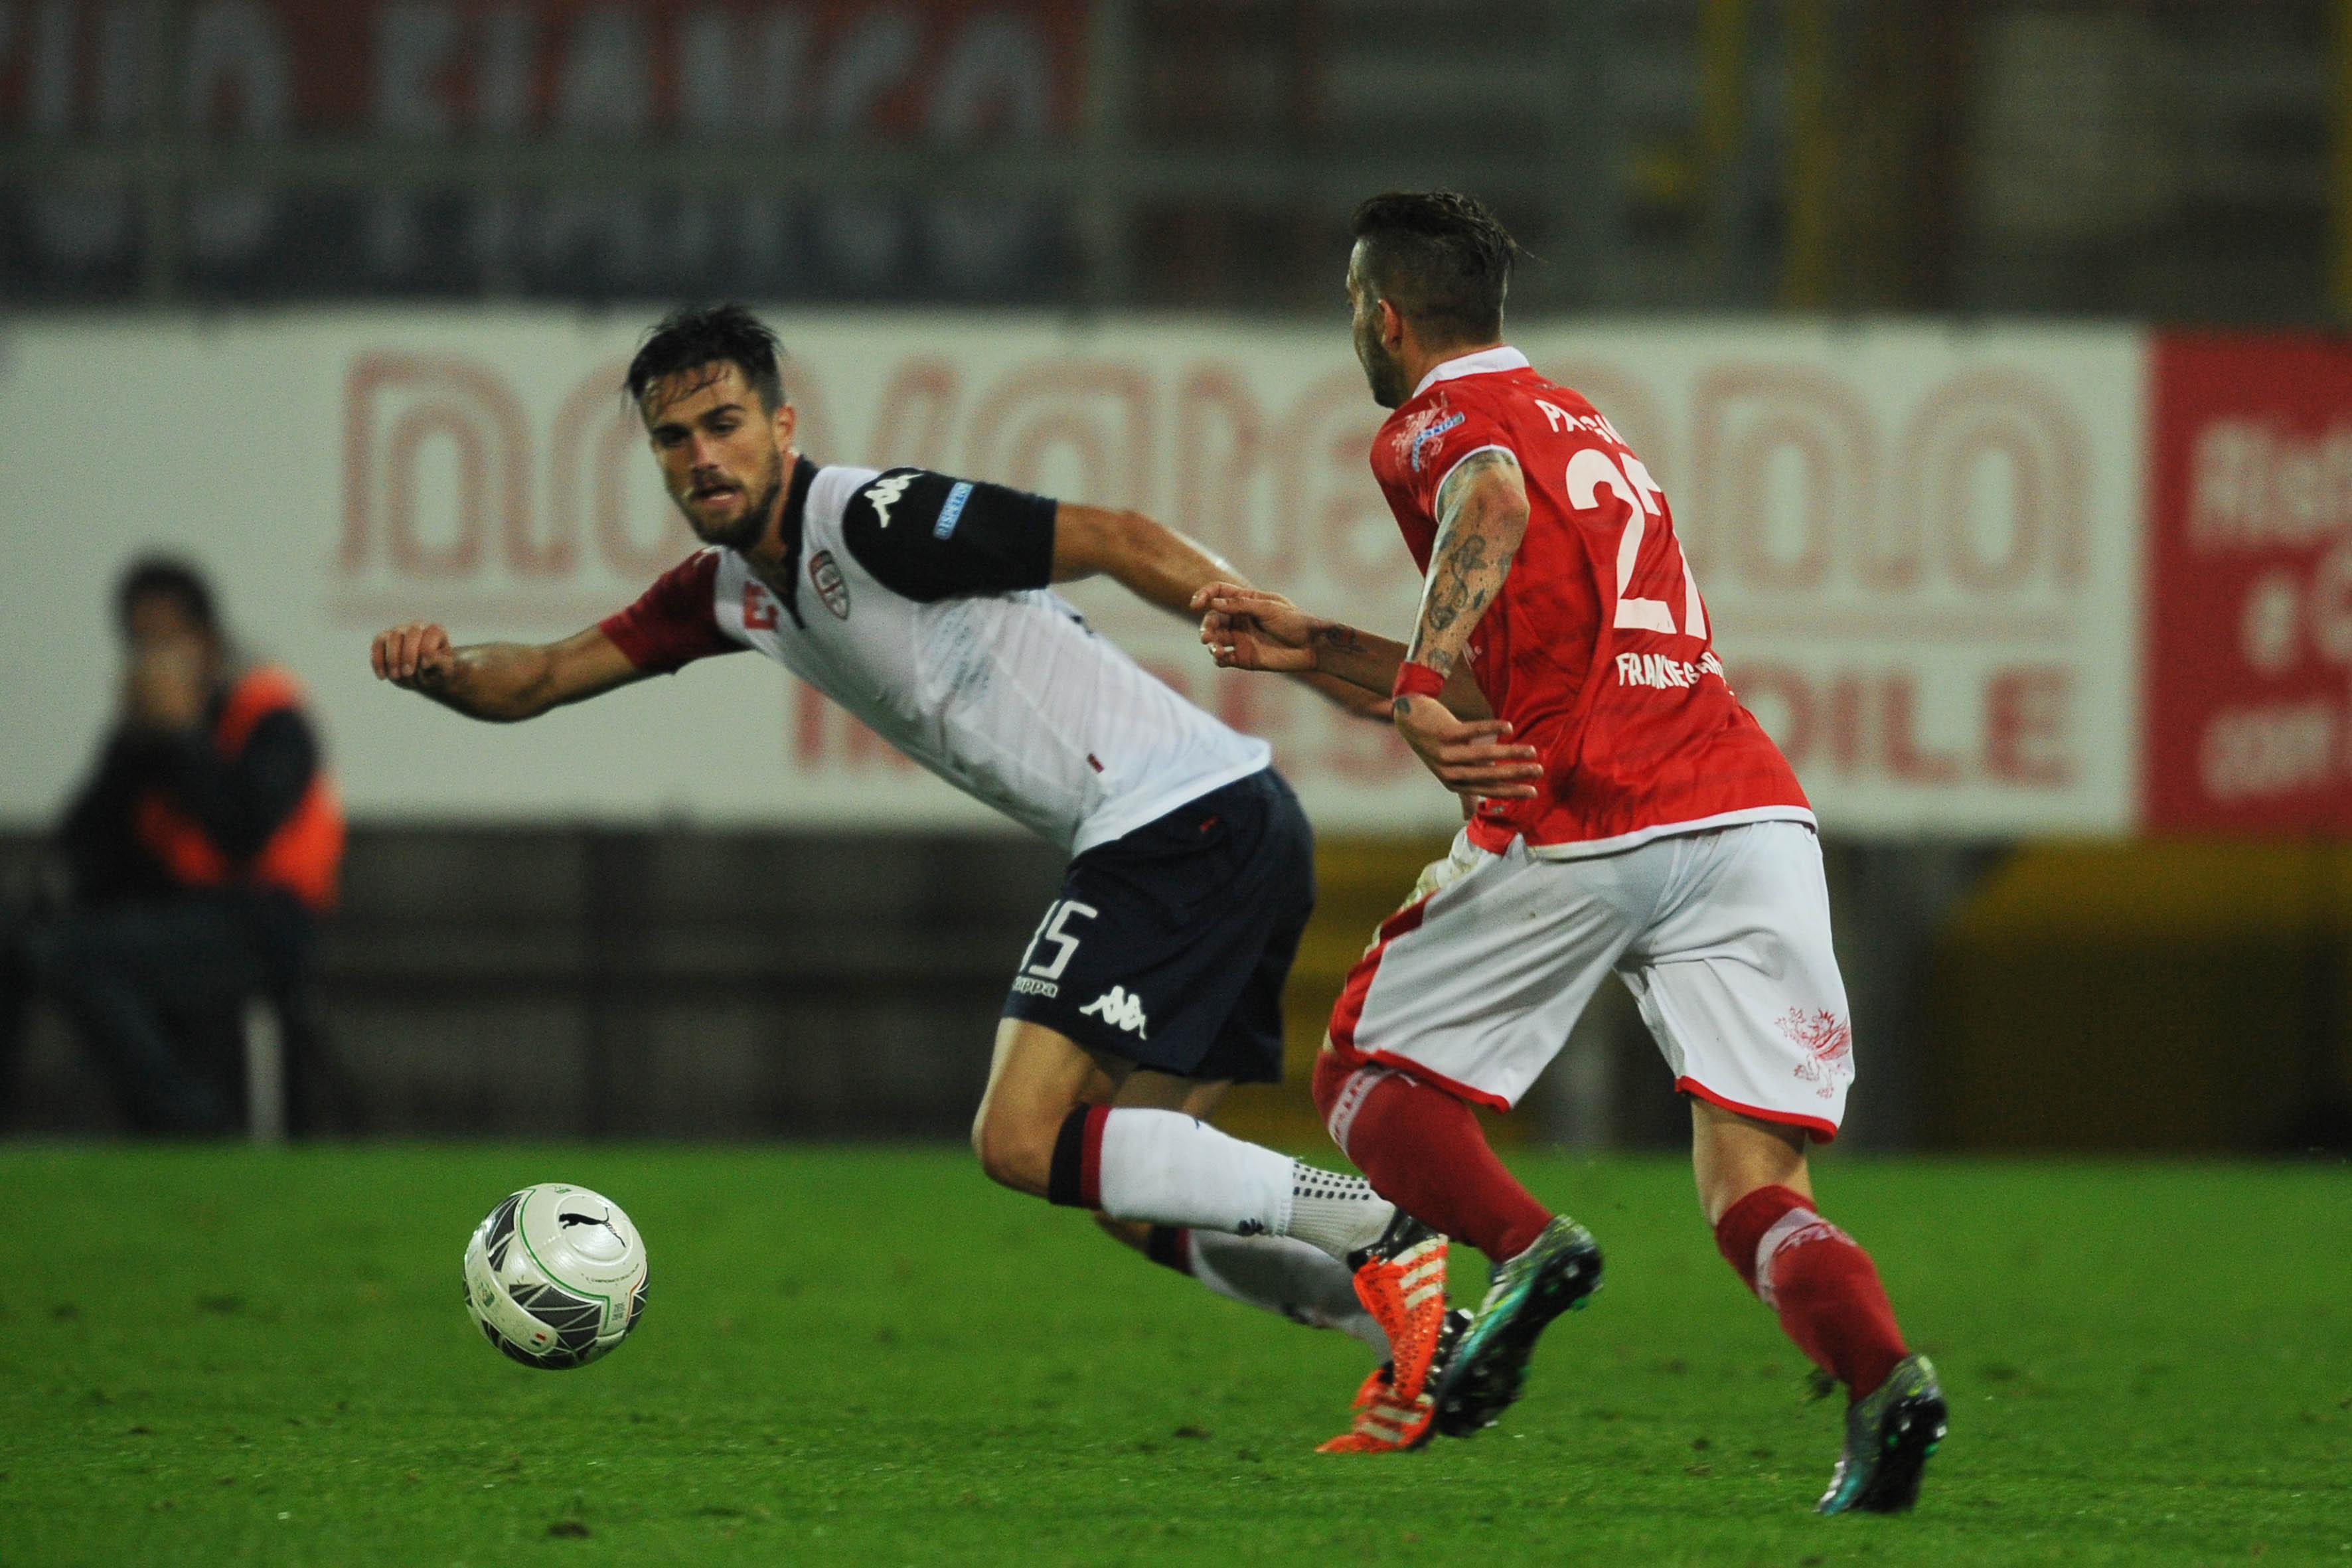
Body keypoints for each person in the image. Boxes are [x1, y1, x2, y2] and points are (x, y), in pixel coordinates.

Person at [368, 304, 1454, 1452]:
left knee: (1019, 1135)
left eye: (724, 424)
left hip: (1180, 820)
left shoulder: (873, 519)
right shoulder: (725, 591)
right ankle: (1423, 1338)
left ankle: (1380, 1227)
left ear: (782, 426)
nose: (702, 456)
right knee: (1131, 1189)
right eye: (673, 438)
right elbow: (539, 676)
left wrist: (1297, 647)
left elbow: (1115, 535)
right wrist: (445, 672)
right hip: (1229, 821)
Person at [1194, 191, 1945, 1511]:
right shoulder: (1579, 420)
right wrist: (1319, 647)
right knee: (1750, 1179)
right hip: (1743, 808)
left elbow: (1485, 508)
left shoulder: (1437, 424)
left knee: (1363, 1075)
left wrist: (1411, 682)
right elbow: (1508, 673)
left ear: (1385, 316)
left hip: (1591, 805)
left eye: (1352, 306)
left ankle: (1526, 1247)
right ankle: (1885, 1382)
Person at [0, 558, 343, 1133]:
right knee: (20, 938)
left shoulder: (271, 715)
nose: (153, 658)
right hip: (177, 909)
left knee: (85, 958)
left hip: (262, 918)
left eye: (167, 640)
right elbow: (88, 841)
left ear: (206, 640)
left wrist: (182, 737)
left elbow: (242, 834)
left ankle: (189, 1121)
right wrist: (134, 742)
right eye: (141, 643)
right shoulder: (144, 729)